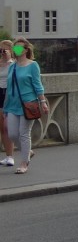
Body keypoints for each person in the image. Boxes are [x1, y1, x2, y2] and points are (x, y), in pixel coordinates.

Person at [4, 38, 47, 175]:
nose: (16, 51)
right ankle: (27, 151)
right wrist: (5, 106)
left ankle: (24, 163)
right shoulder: (13, 66)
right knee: (12, 133)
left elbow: (37, 84)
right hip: (12, 104)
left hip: (28, 103)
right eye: (14, 48)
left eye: (19, 48)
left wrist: (43, 102)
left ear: (26, 50)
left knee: (24, 133)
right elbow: (9, 87)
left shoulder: (32, 65)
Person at [0, 40, 13, 166]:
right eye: (0, 50)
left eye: (4, 50)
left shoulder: (13, 64)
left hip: (8, 94)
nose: (2, 52)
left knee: (7, 127)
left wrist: (9, 59)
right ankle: (7, 156)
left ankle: (10, 156)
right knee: (1, 128)